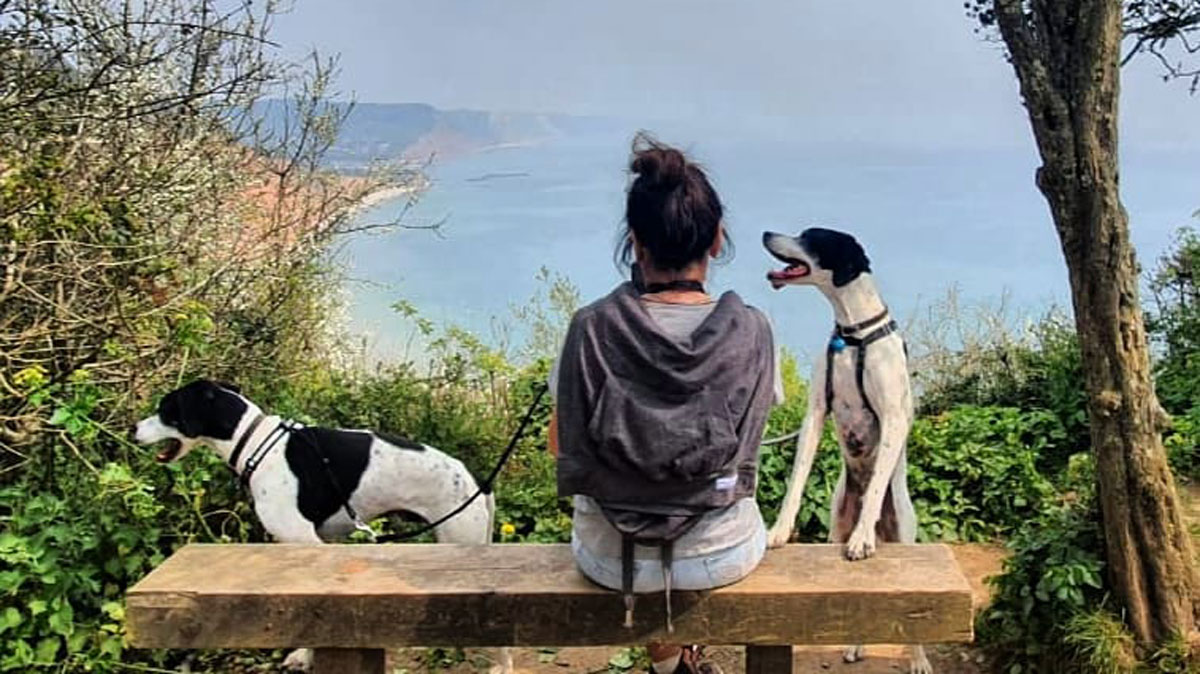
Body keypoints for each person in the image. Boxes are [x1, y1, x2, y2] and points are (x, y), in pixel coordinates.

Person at [547, 134, 782, 674]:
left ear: (635, 242)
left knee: (643, 570)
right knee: (727, 535)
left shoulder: (590, 328)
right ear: (717, 240)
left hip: (611, 558)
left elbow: (562, 445)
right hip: (720, 550)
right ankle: (683, 657)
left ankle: (669, 662)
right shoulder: (753, 330)